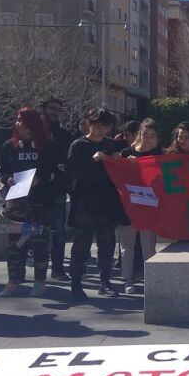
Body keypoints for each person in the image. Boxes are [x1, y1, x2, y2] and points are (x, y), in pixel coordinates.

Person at [66, 108, 128, 301]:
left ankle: (105, 282)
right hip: (85, 203)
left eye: (105, 126)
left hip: (106, 203)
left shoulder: (110, 145)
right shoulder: (78, 145)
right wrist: (93, 161)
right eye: (97, 126)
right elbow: (73, 174)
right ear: (89, 124)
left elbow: (119, 172)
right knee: (81, 244)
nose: (101, 130)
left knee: (107, 244)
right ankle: (75, 283)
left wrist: (118, 160)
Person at [0, 107, 60, 297]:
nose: (20, 124)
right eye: (17, 120)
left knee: (40, 243)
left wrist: (42, 179)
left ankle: (39, 282)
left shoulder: (46, 146)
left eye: (24, 121)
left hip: (41, 203)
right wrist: (7, 179)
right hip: (17, 203)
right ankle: (13, 280)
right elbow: (3, 170)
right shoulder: (9, 146)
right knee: (14, 243)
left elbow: (55, 172)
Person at [119, 118, 162, 294]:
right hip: (128, 207)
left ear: (157, 138)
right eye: (145, 135)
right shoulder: (126, 153)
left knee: (148, 246)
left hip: (149, 208)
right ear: (139, 135)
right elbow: (118, 175)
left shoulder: (160, 155)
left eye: (152, 136)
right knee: (127, 246)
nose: (148, 139)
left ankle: (149, 279)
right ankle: (127, 280)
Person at [39, 97, 73, 281]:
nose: (54, 112)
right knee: (34, 233)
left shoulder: (64, 136)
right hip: (34, 193)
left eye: (58, 110)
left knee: (58, 233)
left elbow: (67, 163)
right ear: (43, 108)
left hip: (56, 193)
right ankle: (37, 273)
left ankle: (58, 269)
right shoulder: (33, 133)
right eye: (51, 108)